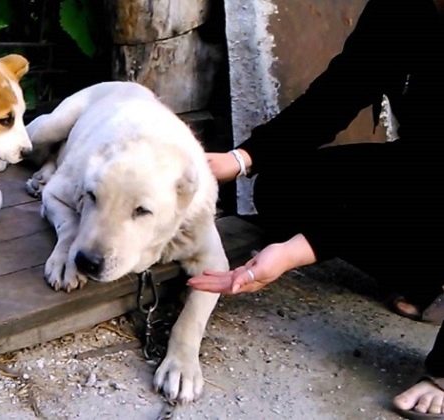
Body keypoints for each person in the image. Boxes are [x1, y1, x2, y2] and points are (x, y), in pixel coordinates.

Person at [189, 0, 444, 418]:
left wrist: (296, 251)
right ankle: (428, 280)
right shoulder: (403, 7)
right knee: (284, 187)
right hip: (424, 166)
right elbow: (340, 92)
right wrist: (242, 158)